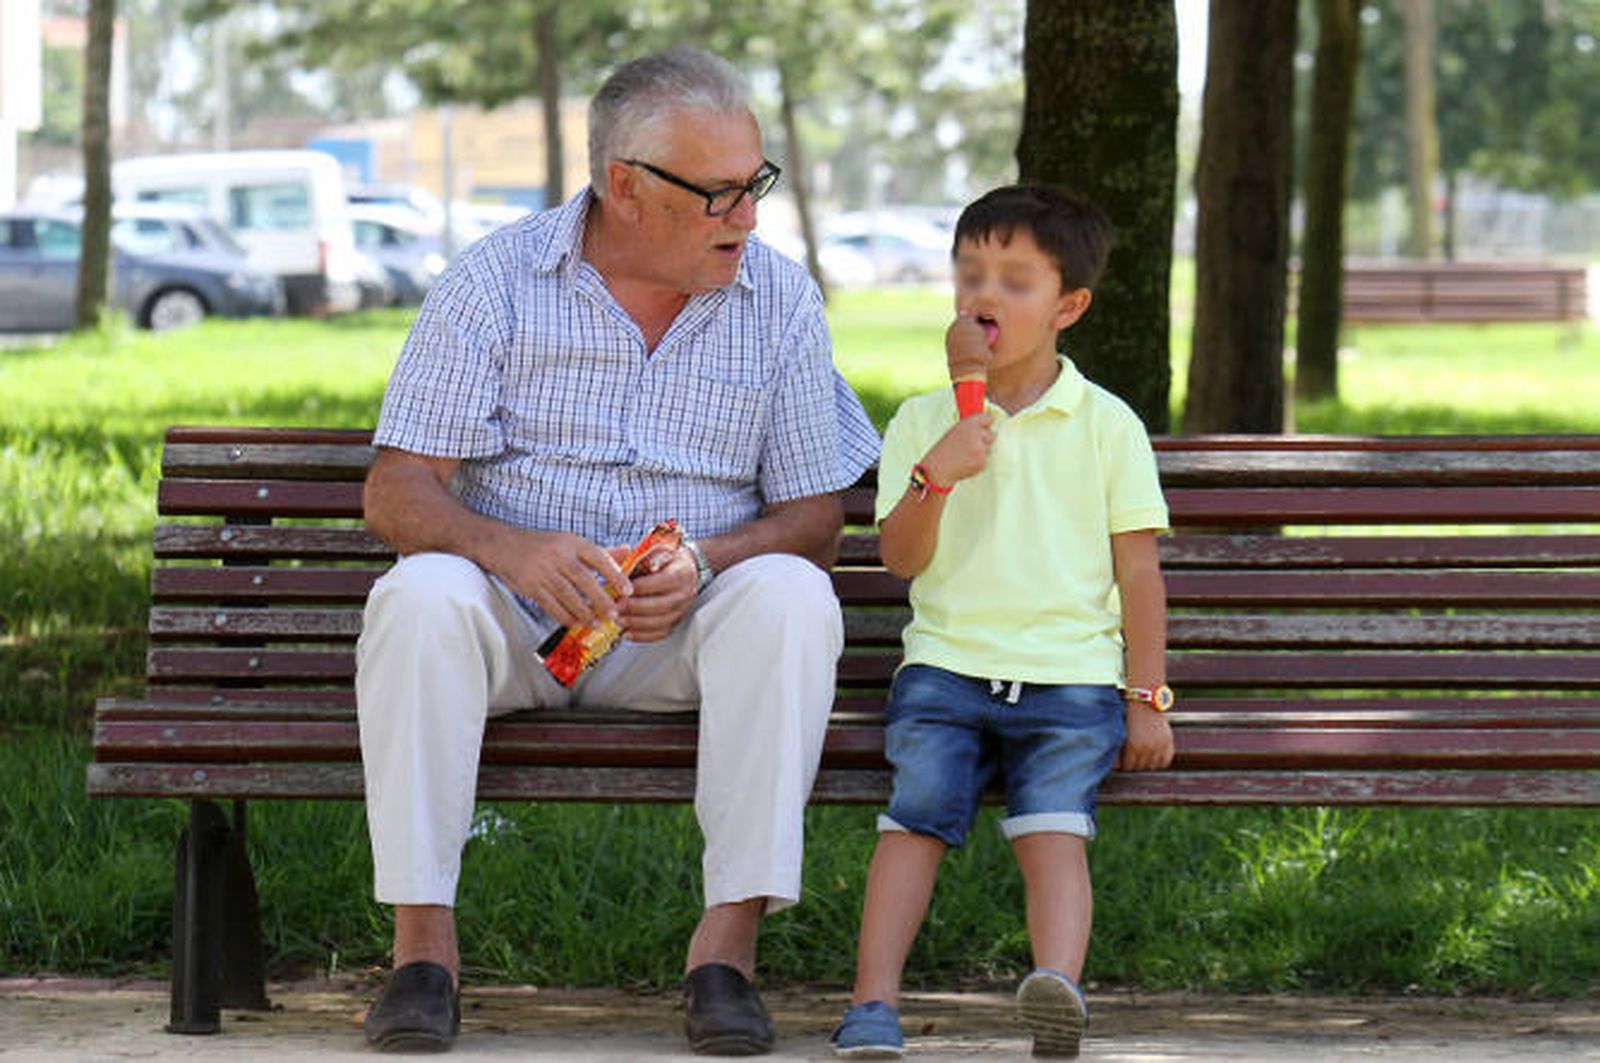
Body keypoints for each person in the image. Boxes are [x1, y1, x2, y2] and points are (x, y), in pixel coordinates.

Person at [354, 46, 879, 1055]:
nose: (750, 217)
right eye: (721, 194)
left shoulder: (779, 300)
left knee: (791, 595)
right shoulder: (493, 283)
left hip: (671, 633)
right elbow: (396, 489)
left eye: (755, 185)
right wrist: (505, 548)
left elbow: (817, 518)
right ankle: (422, 956)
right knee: (419, 597)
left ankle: (725, 956)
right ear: (625, 188)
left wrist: (710, 561)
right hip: (512, 623)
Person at [829, 185, 1175, 1060]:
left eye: (1014, 281)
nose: (983, 296)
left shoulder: (1108, 426)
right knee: (915, 818)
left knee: (1053, 824)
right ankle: (872, 1003)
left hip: (1072, 676)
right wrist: (936, 473)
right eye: (970, 272)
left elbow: (1139, 571)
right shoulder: (920, 419)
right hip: (946, 668)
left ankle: (1056, 987)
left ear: (1068, 306)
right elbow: (900, 559)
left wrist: (1147, 696)